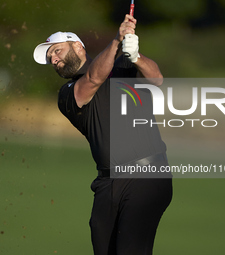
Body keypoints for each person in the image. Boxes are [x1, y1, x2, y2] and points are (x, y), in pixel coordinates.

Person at [33, 14, 172, 255]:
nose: (53, 59)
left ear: (78, 46)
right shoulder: (67, 94)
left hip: (147, 175)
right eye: (50, 58)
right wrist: (117, 41)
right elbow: (94, 78)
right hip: (108, 184)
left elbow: (156, 78)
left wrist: (135, 56)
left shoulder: (123, 67)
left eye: (56, 51)